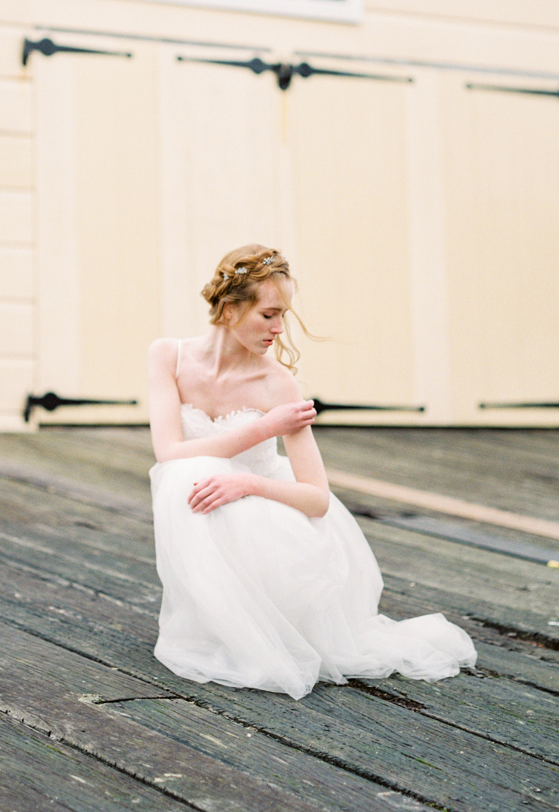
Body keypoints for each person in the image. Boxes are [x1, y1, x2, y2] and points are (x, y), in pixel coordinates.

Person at [147, 244, 476, 700]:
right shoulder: (169, 357)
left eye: (283, 315)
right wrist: (264, 428)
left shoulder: (277, 383)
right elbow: (169, 452)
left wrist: (248, 483)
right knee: (190, 472)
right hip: (204, 507)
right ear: (229, 307)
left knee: (206, 477)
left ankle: (262, 627)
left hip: (272, 521)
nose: (279, 329)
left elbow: (317, 499)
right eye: (268, 315)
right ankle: (217, 623)